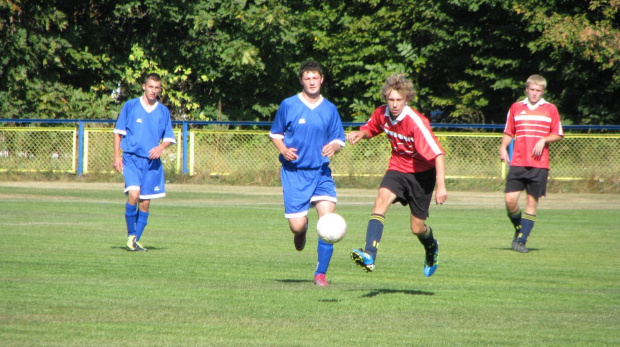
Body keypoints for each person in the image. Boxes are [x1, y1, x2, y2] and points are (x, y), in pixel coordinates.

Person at [346, 73, 446, 277]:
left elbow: (438, 153)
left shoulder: (416, 122)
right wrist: (360, 134)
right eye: (390, 99)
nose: (394, 104)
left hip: (422, 175)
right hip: (398, 168)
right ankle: (370, 254)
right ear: (386, 99)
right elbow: (370, 129)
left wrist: (441, 186)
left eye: (398, 100)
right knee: (380, 201)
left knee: (417, 228)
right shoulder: (382, 114)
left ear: (407, 99)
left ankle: (431, 247)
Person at [269, 60, 346, 287]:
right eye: (307, 78)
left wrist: (334, 146)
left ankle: (320, 275)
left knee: (328, 224)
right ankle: (302, 231)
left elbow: (338, 138)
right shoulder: (289, 104)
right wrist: (283, 149)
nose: (311, 82)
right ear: (302, 81)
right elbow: (275, 134)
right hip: (294, 174)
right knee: (297, 225)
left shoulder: (330, 108)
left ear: (322, 79)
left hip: (321, 173)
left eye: (315, 78)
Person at [499, 74, 563, 253]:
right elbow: (508, 131)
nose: (535, 93)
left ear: (543, 91)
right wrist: (503, 148)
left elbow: (558, 133)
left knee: (531, 202)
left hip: (539, 164)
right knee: (510, 200)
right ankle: (520, 229)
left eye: (538, 90)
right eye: (532, 90)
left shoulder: (550, 109)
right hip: (518, 161)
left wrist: (544, 140)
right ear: (526, 89)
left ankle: (521, 241)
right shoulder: (516, 107)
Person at [113, 73, 176, 252]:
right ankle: (132, 235)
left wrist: (160, 148)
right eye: (151, 87)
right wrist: (117, 156)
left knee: (145, 203)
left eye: (157, 88)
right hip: (131, 158)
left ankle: (133, 240)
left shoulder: (163, 111)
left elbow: (169, 137)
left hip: (151, 163)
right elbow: (118, 132)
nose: (153, 91)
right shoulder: (131, 106)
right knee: (134, 194)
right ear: (144, 86)